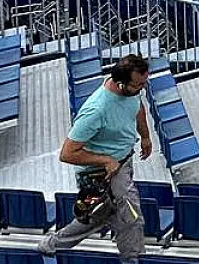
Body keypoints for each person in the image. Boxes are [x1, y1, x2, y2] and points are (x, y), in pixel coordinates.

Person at [37, 55, 153, 262]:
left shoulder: (132, 90)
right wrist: (106, 161)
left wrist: (145, 136)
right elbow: (67, 153)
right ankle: (134, 261)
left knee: (96, 217)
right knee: (131, 217)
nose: (143, 88)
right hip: (101, 173)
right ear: (120, 84)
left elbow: (138, 107)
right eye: (139, 84)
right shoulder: (96, 110)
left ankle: (49, 245)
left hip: (123, 162)